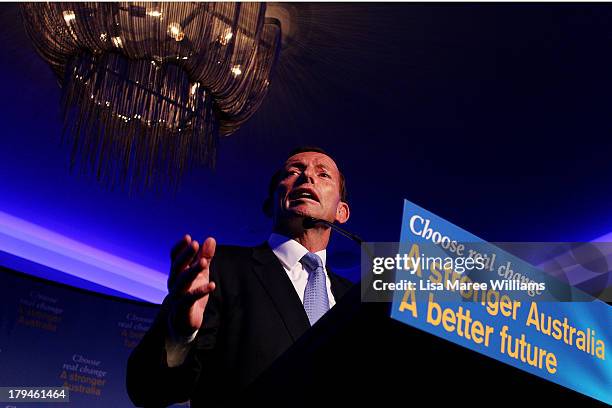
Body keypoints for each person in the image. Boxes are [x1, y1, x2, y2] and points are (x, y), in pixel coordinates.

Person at [126, 147, 354, 407]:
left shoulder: (355, 299)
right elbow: (145, 388)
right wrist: (181, 334)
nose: (307, 177)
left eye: (323, 174)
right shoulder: (219, 268)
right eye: (293, 171)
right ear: (270, 204)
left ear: (341, 212)